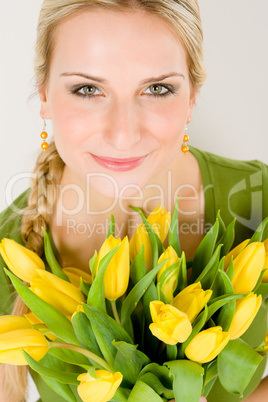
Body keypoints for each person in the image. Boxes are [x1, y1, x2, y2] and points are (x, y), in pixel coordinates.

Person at [0, 0, 267, 401]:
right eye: (88, 89)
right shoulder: (9, 249)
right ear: (43, 95)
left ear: (192, 96)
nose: (123, 135)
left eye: (157, 89)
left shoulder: (258, 203)